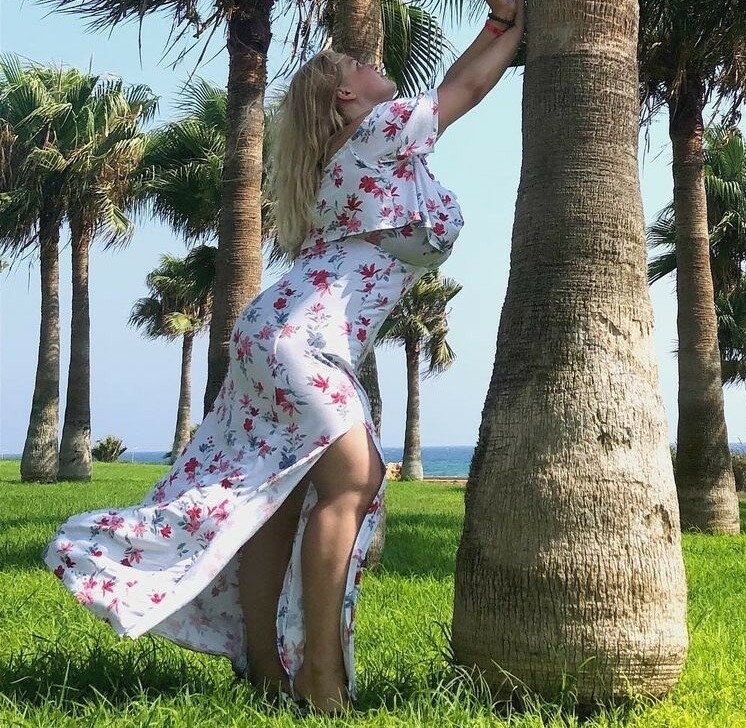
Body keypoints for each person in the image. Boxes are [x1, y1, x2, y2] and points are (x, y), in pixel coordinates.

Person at [41, 1, 524, 715]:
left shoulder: (360, 150)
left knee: (280, 491)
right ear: (346, 94)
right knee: (353, 481)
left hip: (275, 328)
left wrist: (498, 27)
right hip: (302, 337)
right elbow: (468, 89)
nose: (372, 63)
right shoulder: (381, 132)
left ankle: (266, 668)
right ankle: (319, 680)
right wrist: (512, 27)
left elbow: (456, 81)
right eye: (357, 64)